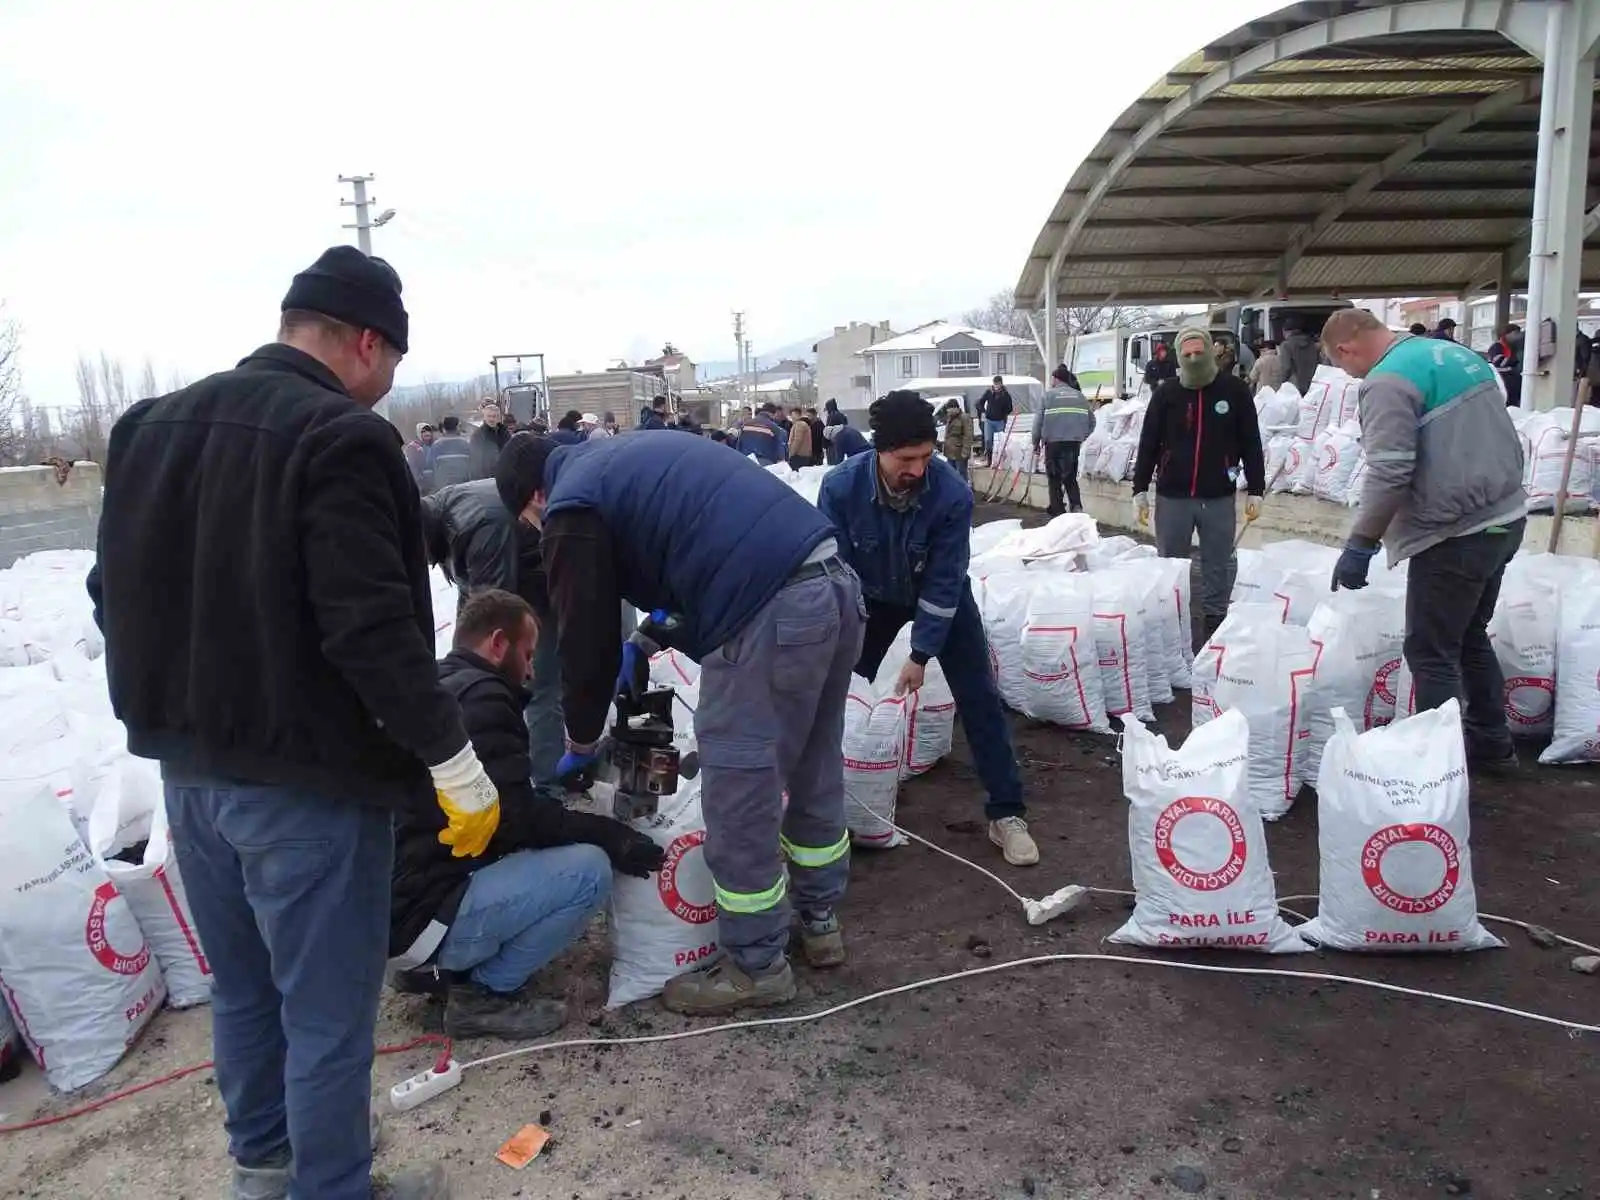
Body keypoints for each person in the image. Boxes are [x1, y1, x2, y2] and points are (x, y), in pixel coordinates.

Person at [87, 246, 499, 1200]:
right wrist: (451, 755)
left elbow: (116, 595)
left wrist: (190, 692)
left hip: (190, 784)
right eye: (390, 364)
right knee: (325, 1020)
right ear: (365, 342)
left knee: (245, 996)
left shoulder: (150, 428)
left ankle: (264, 1179)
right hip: (309, 793)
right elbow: (372, 633)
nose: (384, 387)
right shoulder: (339, 440)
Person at [492, 432, 863, 1015]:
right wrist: (651, 634)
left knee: (740, 785)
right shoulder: (622, 460)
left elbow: (585, 641)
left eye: (530, 523)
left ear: (535, 497)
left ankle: (756, 965)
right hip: (835, 588)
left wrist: (581, 738)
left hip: (772, 609)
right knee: (813, 760)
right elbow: (693, 550)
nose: (540, 534)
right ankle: (819, 919)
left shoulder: (569, 505)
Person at [389, 589, 664, 1035]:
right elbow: (515, 819)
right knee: (589, 870)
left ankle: (436, 967)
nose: (533, 670)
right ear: (498, 644)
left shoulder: (439, 685)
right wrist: (610, 835)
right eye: (529, 654)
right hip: (421, 917)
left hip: (397, 910)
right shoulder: (486, 698)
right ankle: (483, 994)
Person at [819, 392, 1036, 866]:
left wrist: (921, 654)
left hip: (941, 597)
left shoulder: (951, 493)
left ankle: (1006, 812)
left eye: (925, 456)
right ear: (880, 449)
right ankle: (822, 804)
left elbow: (945, 578)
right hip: (870, 597)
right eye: (906, 458)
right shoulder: (841, 488)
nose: (917, 469)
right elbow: (837, 571)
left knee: (979, 696)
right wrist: (842, 639)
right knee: (837, 691)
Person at [1322, 310, 1528, 770]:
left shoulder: (1386, 382)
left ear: (1346, 349)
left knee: (1429, 651)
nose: (1351, 374)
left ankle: (1435, 771)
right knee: (1468, 634)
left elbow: (1391, 469)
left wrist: (1362, 542)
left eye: (1344, 367)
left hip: (1457, 531)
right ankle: (1493, 746)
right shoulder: (1453, 354)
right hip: (1506, 516)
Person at [420, 479, 565, 784]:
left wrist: (486, 695)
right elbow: (472, 596)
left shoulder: (479, 525)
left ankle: (546, 782)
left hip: (544, 584)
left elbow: (495, 618)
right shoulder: (440, 513)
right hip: (510, 577)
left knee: (538, 684)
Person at [1132, 326, 1265, 635]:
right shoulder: (1167, 393)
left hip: (1218, 493)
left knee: (1217, 564)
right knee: (1171, 566)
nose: (1193, 359)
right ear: (1179, 356)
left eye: (1199, 353)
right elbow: (1149, 442)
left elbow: (1251, 442)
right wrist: (1139, 488)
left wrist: (1256, 489)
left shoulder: (1234, 391)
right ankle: (1172, 627)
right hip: (1172, 495)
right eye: (1187, 354)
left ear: (1210, 351)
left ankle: (1214, 624)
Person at [1034, 366, 1092, 516]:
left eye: (1053, 378)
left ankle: (1057, 509)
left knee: (1054, 477)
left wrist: (1036, 443)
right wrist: (1081, 436)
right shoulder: (1079, 396)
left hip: (1053, 443)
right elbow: (1092, 421)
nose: (1051, 381)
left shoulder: (1048, 396)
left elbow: (1038, 422)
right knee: (1070, 476)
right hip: (1073, 443)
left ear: (1057, 379)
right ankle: (1076, 506)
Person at [427, 415, 472, 490]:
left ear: (444, 429)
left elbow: (429, 467)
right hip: (464, 488)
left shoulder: (436, 446)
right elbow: (474, 466)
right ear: (457, 427)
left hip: (442, 489)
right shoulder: (466, 444)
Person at [468, 398, 510, 480]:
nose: (491, 419)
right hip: (486, 478)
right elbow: (475, 460)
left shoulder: (505, 433)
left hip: (504, 476)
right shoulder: (478, 435)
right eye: (489, 416)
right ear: (484, 417)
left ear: (498, 418)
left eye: (494, 416)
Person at [1280, 318, 1320, 396]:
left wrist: (1282, 382)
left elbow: (1286, 367)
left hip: (1296, 387)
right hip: (1313, 384)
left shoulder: (1286, 345)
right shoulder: (1312, 344)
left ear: (1287, 331)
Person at [1487, 324, 1523, 407]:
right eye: (1515, 333)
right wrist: (1514, 360)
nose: (1517, 336)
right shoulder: (1497, 347)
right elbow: (1498, 363)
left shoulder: (1513, 347)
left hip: (1514, 382)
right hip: (1504, 382)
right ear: (1507, 334)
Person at [980, 375, 1013, 461]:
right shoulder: (989, 392)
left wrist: (1003, 413)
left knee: (999, 442)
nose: (996, 386)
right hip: (989, 421)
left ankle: (999, 460)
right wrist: (983, 411)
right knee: (988, 440)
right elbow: (980, 402)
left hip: (1000, 421)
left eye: (998, 384)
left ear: (1001, 384)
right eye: (995, 384)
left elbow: (1010, 408)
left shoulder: (1006, 395)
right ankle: (989, 460)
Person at [941, 397, 972, 483]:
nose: (948, 411)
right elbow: (947, 434)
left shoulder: (965, 417)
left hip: (960, 451)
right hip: (949, 452)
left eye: (949, 409)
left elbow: (968, 435)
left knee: (962, 473)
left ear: (956, 408)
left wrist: (965, 452)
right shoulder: (949, 418)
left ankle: (965, 492)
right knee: (950, 474)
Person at [405, 423, 434, 492]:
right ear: (418, 433)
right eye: (423, 431)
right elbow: (413, 467)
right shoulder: (413, 447)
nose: (427, 433)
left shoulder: (433, 446)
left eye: (429, 431)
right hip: (418, 482)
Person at [823, 398, 849, 465]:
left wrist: (825, 442)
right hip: (841, 440)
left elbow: (828, 429)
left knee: (833, 463)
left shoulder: (832, 415)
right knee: (839, 461)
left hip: (832, 443)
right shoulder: (840, 415)